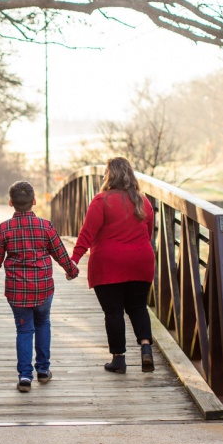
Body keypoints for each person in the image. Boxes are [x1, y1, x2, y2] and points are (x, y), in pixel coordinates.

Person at [0, 181, 79, 393]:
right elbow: (60, 252)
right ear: (34, 201)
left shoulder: (4, 229)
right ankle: (43, 370)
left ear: (10, 202)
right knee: (43, 323)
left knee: (24, 330)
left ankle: (25, 376)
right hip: (43, 288)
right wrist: (71, 270)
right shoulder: (45, 226)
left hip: (17, 292)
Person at [71, 156, 156, 374]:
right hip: (141, 261)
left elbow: (87, 233)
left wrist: (74, 260)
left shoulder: (102, 200)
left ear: (108, 176)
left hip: (108, 264)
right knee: (138, 307)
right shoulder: (142, 200)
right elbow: (149, 233)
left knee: (113, 312)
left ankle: (119, 360)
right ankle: (146, 348)